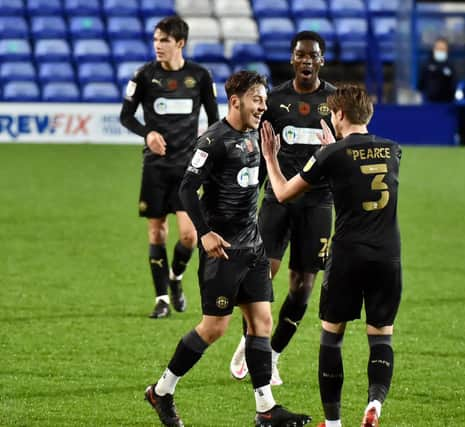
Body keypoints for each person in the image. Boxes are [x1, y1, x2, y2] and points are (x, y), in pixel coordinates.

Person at [144, 70, 312, 427]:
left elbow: (256, 183)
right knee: (214, 328)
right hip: (222, 249)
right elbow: (187, 189)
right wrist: (204, 233)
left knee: (261, 321)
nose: (263, 106)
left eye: (264, 100)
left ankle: (266, 409)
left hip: (252, 245)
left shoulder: (256, 134)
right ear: (235, 101)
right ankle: (161, 391)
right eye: (257, 99)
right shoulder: (212, 141)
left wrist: (271, 157)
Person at [261, 84, 402, 427]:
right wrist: (334, 151)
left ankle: (334, 422)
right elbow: (359, 172)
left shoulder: (330, 155)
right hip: (388, 255)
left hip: (348, 255)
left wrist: (270, 157)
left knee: (332, 336)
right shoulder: (393, 150)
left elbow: (281, 193)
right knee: (381, 334)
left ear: (338, 115)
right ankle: (374, 405)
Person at [230, 30, 336, 386]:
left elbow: (347, 150)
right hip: (277, 200)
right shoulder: (274, 101)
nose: (306, 61)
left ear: (321, 61)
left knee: (302, 287)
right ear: (292, 59)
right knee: (262, 276)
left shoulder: (334, 102)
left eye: (313, 56)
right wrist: (247, 195)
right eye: (300, 55)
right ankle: (250, 341)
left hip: (319, 203)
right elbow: (259, 151)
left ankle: (272, 355)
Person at [120, 16, 219, 318]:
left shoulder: (200, 76)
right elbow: (126, 116)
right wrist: (147, 134)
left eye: (164, 40)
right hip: (155, 166)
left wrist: (206, 144)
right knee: (156, 232)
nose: (158, 46)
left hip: (187, 168)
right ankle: (161, 298)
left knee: (189, 236)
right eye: (155, 40)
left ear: (180, 43)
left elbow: (215, 121)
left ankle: (175, 278)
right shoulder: (143, 76)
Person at [417, 37, 457, 103]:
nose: (440, 51)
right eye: (438, 48)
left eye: (442, 49)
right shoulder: (426, 65)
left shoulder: (451, 66)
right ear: (434, 49)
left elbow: (454, 84)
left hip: (447, 103)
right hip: (429, 103)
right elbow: (420, 85)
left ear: (447, 50)